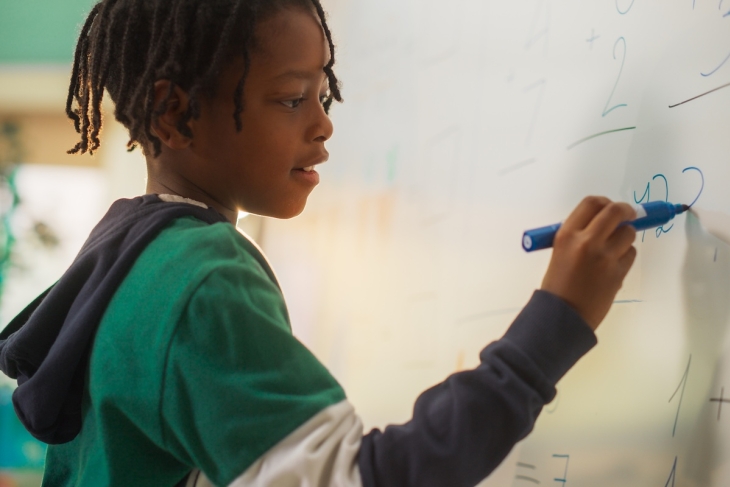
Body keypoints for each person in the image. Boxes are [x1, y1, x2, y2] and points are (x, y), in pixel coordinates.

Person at [0, 1, 637, 486]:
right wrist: (558, 321)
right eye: (290, 98)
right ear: (174, 114)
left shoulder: (130, 248)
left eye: (322, 93)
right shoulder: (198, 280)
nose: (324, 122)